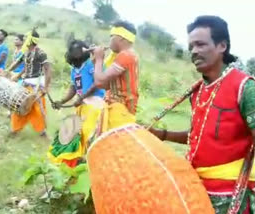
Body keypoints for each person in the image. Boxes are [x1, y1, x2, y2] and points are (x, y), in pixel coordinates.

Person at [149, 16, 255, 214]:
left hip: (230, 198)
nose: (194, 51)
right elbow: (200, 136)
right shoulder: (197, 91)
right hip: (194, 190)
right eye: (191, 47)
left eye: (200, 44)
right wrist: (161, 135)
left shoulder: (246, 88)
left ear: (222, 46)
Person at [48, 40, 105, 167]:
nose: (75, 51)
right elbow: (74, 88)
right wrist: (62, 101)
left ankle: (90, 161)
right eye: (72, 49)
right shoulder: (75, 70)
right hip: (83, 105)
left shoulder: (92, 65)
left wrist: (82, 97)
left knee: (89, 133)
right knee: (78, 134)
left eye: (78, 48)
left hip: (95, 105)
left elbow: (97, 83)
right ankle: (81, 161)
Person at [92, 20, 139, 133]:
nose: (110, 41)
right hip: (116, 110)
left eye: (111, 37)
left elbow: (98, 82)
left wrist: (99, 59)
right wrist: (95, 62)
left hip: (120, 113)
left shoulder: (126, 56)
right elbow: (105, 84)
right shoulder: (125, 55)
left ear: (121, 38)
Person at [7, 29, 52, 138]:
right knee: (18, 106)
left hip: (36, 85)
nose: (24, 39)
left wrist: (46, 87)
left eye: (26, 37)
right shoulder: (25, 52)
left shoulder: (41, 53)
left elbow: (48, 69)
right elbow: (17, 63)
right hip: (25, 84)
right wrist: (7, 71)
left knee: (37, 109)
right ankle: (15, 129)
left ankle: (42, 132)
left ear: (31, 40)